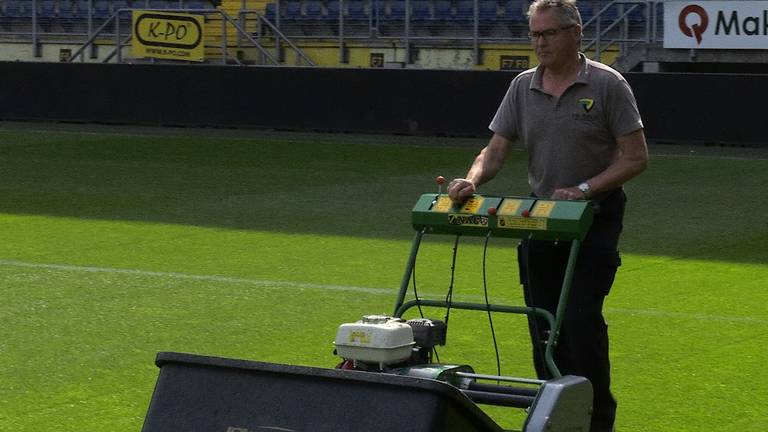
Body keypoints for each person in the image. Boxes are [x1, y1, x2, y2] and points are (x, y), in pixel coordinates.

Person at [446, 0, 648, 430]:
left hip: (595, 217)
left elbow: (636, 157)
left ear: (575, 33)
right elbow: (496, 150)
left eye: (549, 34)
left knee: (579, 320)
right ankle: (552, 414)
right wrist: (472, 180)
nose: (540, 43)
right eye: (535, 35)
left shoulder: (607, 84)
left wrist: (585, 189)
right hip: (539, 217)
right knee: (543, 323)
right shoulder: (523, 86)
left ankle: (596, 420)